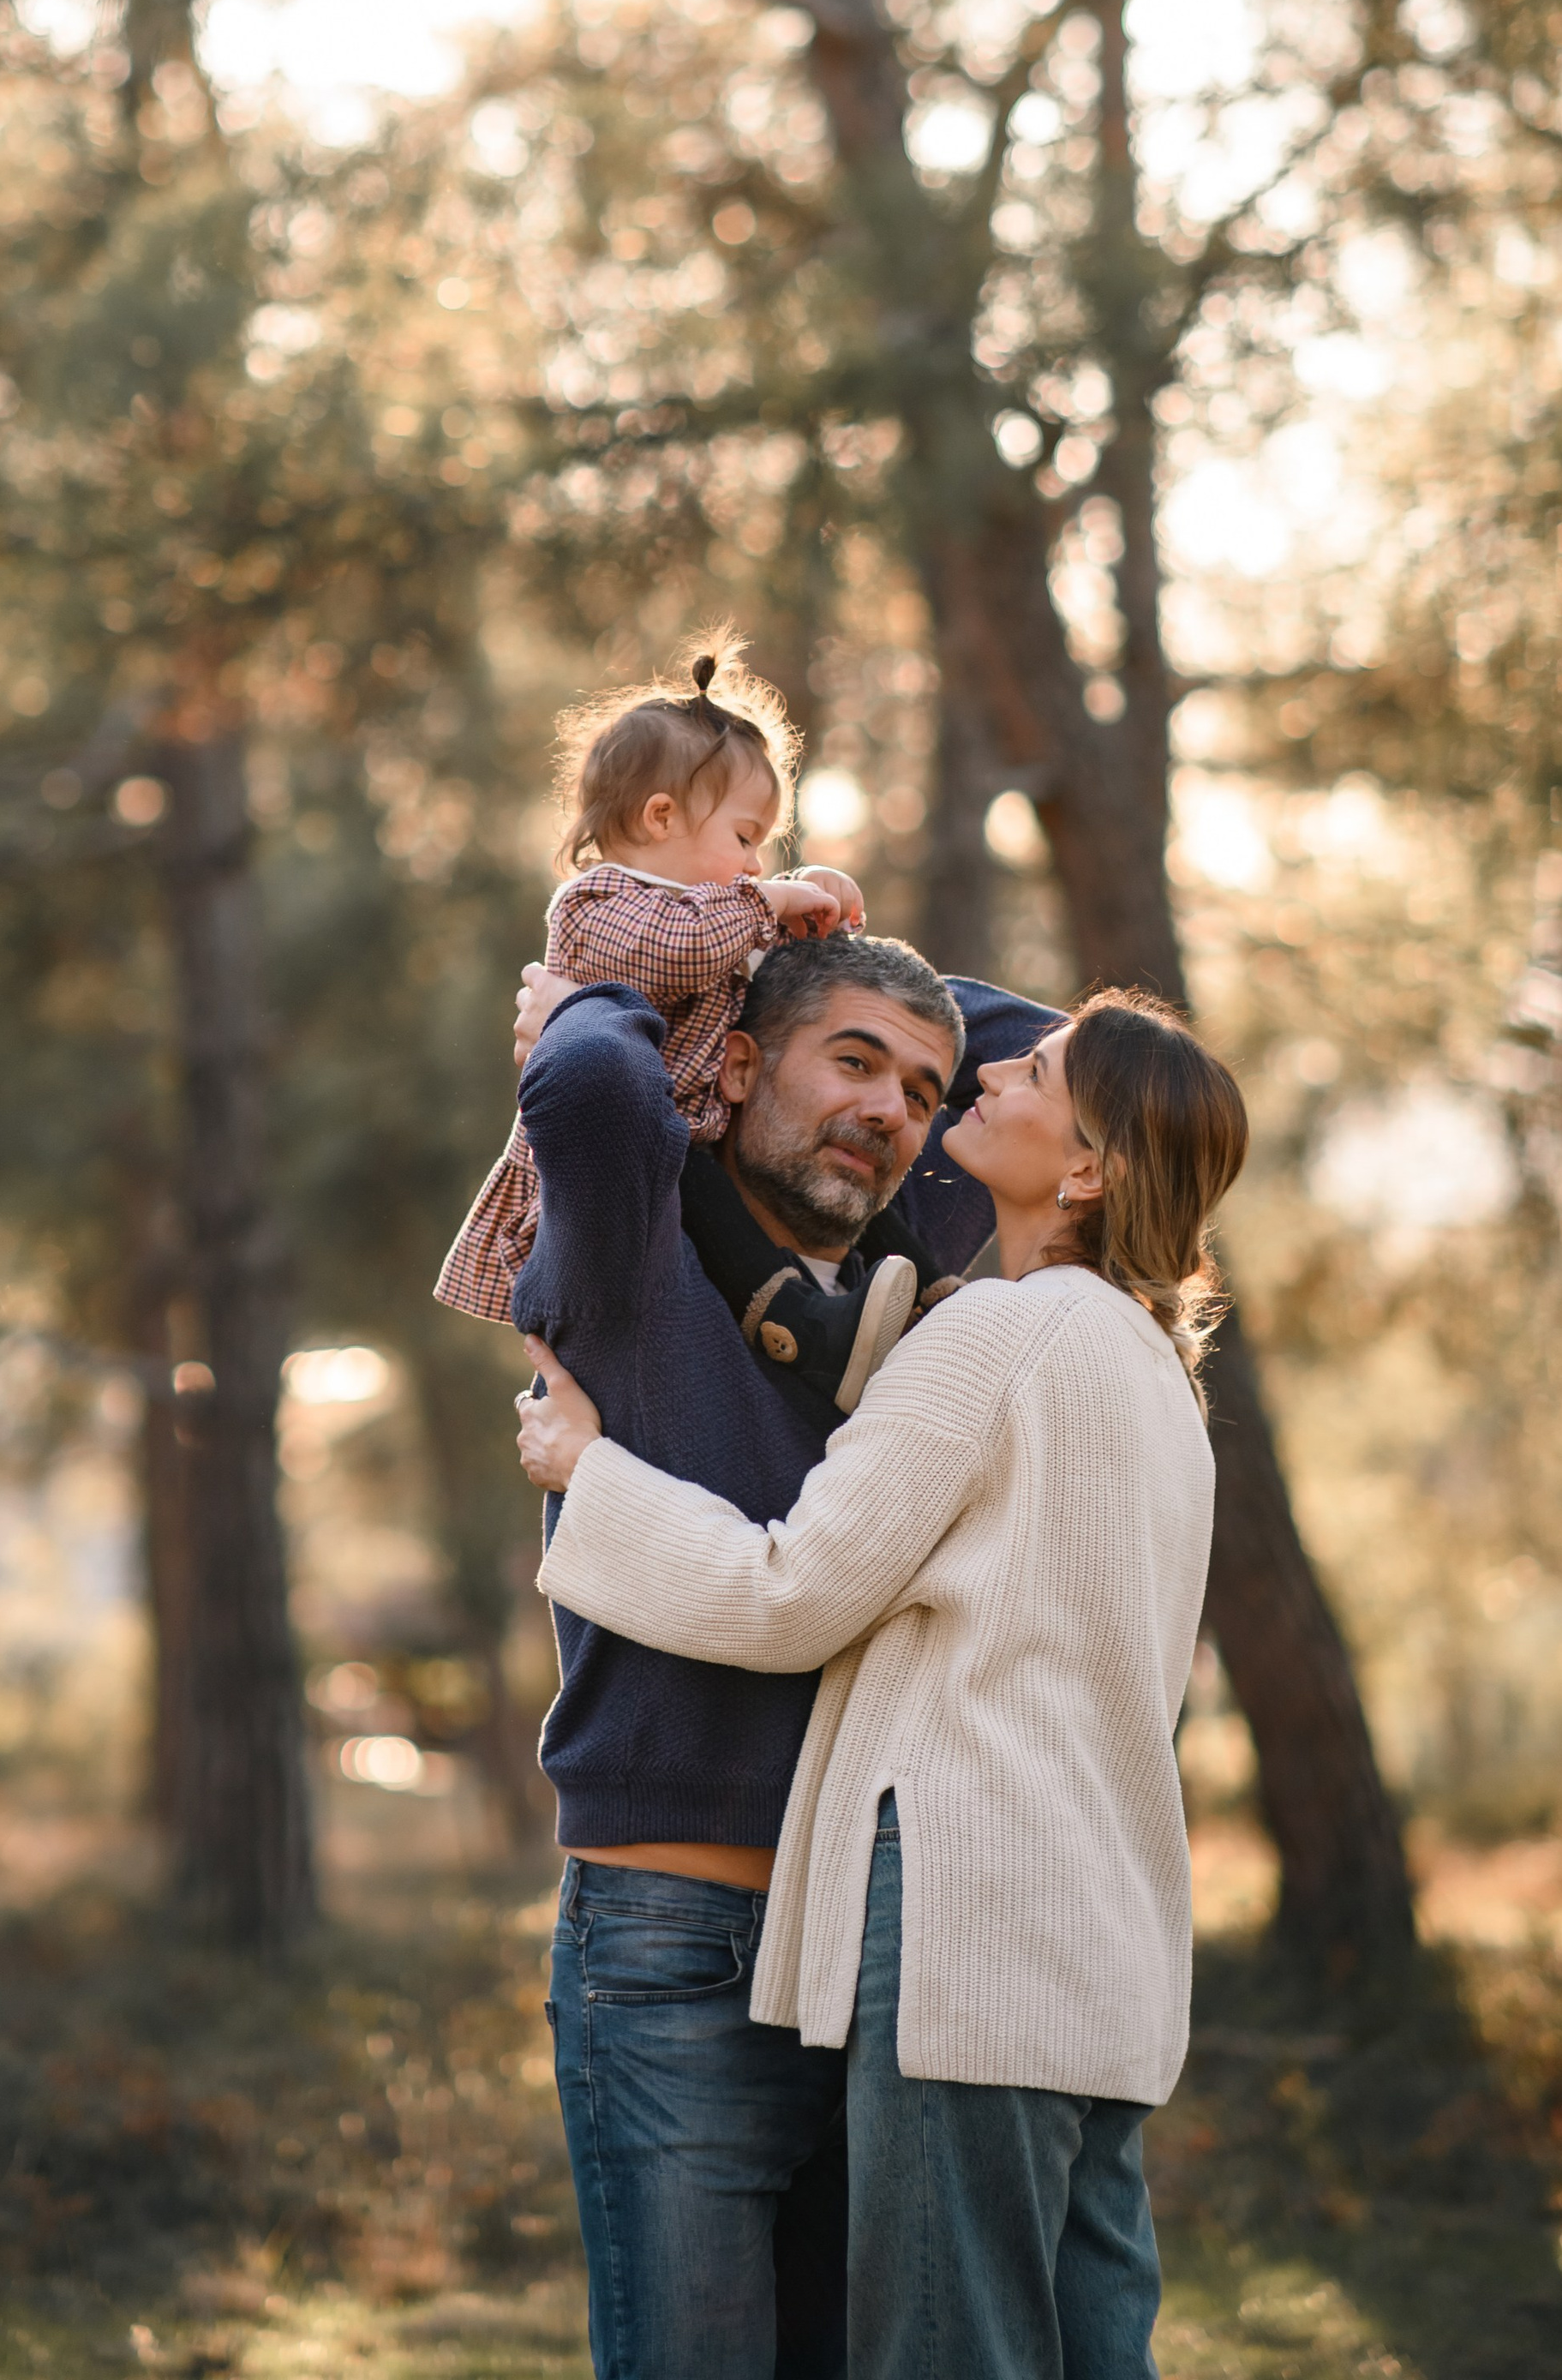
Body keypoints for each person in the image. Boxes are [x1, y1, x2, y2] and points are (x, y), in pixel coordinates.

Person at [518, 990, 1249, 2380]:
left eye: (1032, 1074)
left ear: (1085, 1170)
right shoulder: (1157, 1373)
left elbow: (788, 1592)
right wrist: (773, 948)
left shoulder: (997, 1335)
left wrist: (587, 1474)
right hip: (1109, 1953)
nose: (991, 1071)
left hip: (971, 1941)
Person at [501, 923, 1057, 2380]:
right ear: (737, 1067)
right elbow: (588, 1086)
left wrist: (791, 935)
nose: (888, 1108)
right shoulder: (634, 1242)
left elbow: (1059, 1062)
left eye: (920, 1090)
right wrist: (668, 961)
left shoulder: (902, 1273)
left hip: (869, 1948)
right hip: (670, 1937)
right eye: (851, 1060)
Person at [434, 638, 865, 1328]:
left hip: (686, 1156)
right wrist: (770, 902)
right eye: (745, 838)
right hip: (605, 1173)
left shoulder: (724, 913)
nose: (757, 866)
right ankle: (803, 1323)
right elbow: (681, 952)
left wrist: (814, 905)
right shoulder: (599, 904)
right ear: (661, 817)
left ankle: (865, 1303)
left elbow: (776, 983)